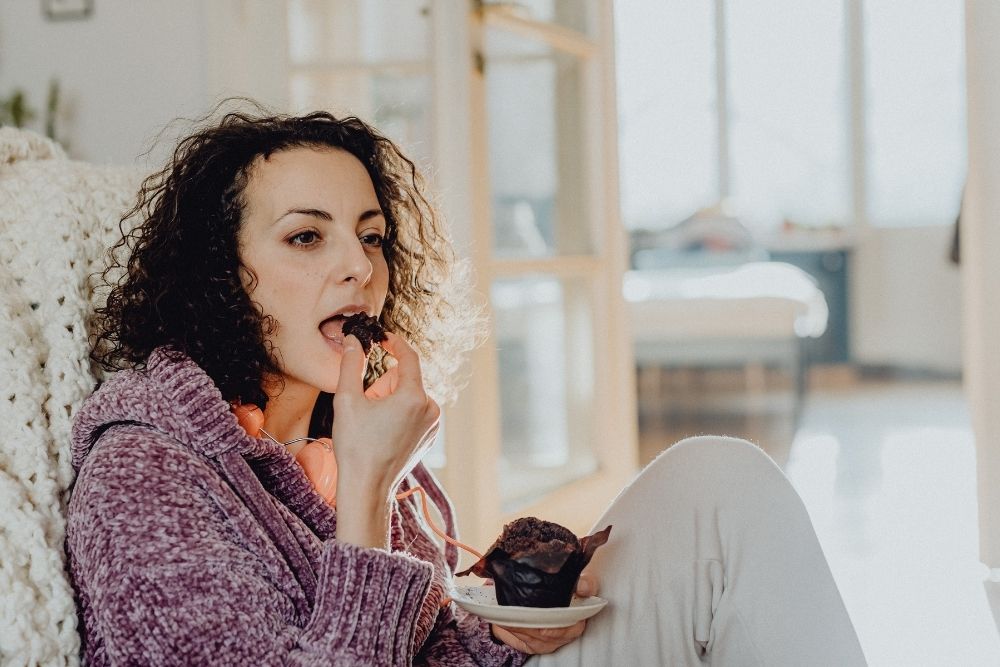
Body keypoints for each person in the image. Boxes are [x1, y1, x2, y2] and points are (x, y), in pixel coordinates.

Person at [66, 106, 867, 666]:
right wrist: (370, 491)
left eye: (372, 237)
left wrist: (510, 618)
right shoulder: (144, 475)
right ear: (219, 275)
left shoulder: (338, 429)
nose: (359, 266)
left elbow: (431, 645)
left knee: (719, 483)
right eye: (306, 236)